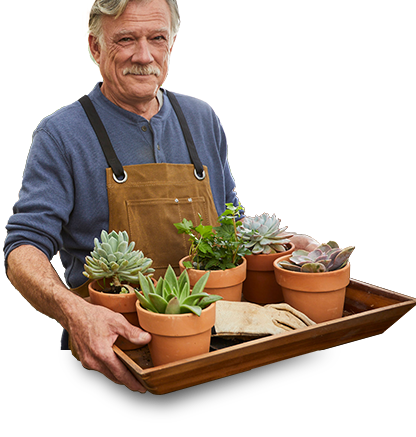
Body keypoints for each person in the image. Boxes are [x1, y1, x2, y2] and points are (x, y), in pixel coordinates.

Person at [4, 0, 317, 393]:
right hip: (118, 354)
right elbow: (23, 246)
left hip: (218, 344)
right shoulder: (60, 134)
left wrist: (283, 246)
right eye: (126, 39)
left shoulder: (202, 118)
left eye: (157, 38)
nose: (144, 55)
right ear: (95, 49)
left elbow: (229, 224)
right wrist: (74, 312)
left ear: (171, 44)